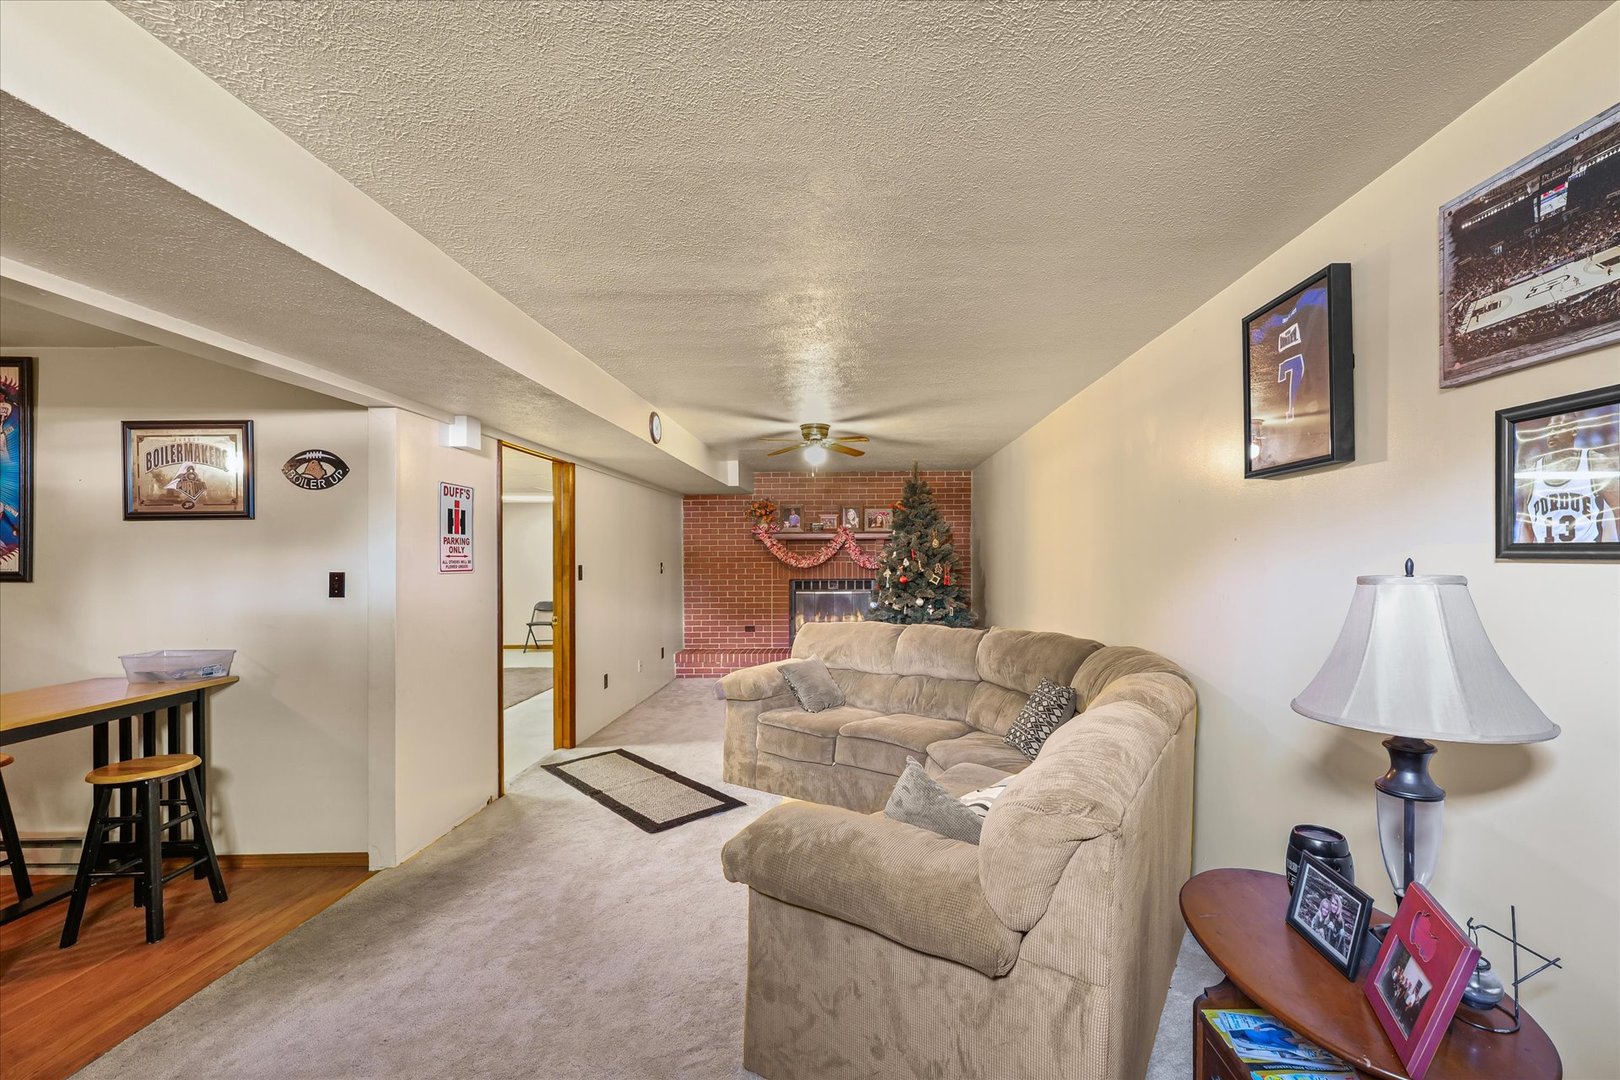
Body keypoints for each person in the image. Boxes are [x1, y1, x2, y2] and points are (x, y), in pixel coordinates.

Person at [1519, 412, 1619, 544]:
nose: (1552, 433)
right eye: (1549, 429)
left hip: (1587, 558)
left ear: (1574, 430)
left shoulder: (1594, 462)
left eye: (1558, 428)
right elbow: (1527, 527)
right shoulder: (1532, 472)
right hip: (1545, 560)